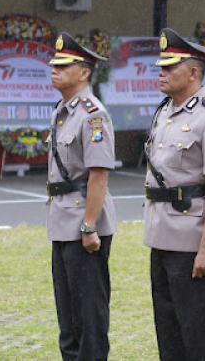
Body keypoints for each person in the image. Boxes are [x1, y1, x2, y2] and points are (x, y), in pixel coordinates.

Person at [143, 28, 205, 361]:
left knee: (198, 339)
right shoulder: (164, 112)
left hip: (195, 243)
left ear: (193, 72)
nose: (161, 72)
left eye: (170, 67)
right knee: (168, 337)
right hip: (162, 238)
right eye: (161, 66)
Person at [47, 32, 116, 361]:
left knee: (89, 315)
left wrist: (89, 225)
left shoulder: (92, 114)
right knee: (68, 315)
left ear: (84, 72)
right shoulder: (63, 110)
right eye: (53, 64)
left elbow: (99, 174)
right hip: (62, 220)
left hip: (83, 224)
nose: (54, 69)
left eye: (63, 65)